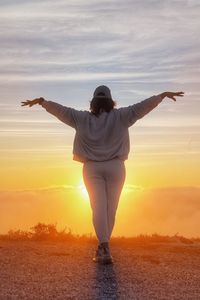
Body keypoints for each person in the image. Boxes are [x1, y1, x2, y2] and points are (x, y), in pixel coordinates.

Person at [21, 86, 184, 264]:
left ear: (93, 101)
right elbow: (142, 107)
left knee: (98, 207)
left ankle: (104, 247)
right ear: (110, 100)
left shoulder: (82, 118)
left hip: (92, 168)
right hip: (116, 167)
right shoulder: (122, 116)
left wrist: (43, 102)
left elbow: (62, 111)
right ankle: (104, 246)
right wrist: (161, 96)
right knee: (110, 209)